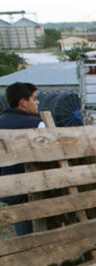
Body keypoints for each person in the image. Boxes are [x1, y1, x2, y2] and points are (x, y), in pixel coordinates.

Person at [0, 82, 44, 236]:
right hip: (37, 185)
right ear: (23, 102)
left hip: (9, 186)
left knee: (23, 230)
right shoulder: (37, 124)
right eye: (34, 98)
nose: (37, 102)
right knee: (44, 228)